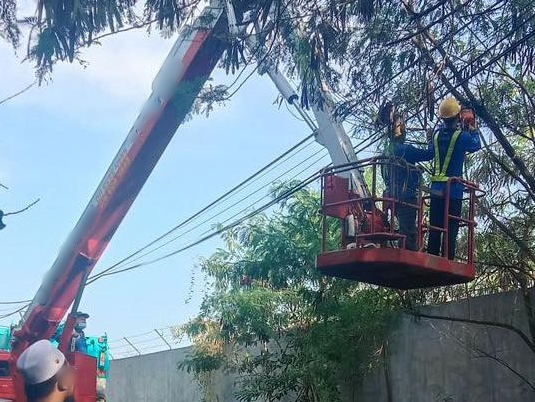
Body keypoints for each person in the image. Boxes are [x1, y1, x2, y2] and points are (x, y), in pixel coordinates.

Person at [427, 97, 481, 259]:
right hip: (453, 191)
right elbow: (476, 145)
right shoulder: (462, 137)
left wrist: (429, 138)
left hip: (436, 189)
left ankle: (432, 255)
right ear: (458, 117)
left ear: (442, 119)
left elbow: (431, 152)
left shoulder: (436, 136)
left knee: (435, 225)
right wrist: (473, 128)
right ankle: (448, 258)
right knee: (451, 224)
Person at [380, 102, 433, 251]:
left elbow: (385, 174)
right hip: (407, 195)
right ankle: (408, 254)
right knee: (408, 231)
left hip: (392, 195)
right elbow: (430, 154)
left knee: (405, 227)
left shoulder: (386, 151)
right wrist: (430, 140)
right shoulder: (406, 149)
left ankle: (404, 251)